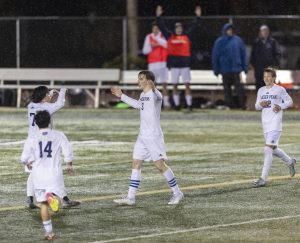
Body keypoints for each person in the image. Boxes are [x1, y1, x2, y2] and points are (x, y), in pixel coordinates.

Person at [111, 70, 183, 205]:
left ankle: (177, 193)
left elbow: (157, 95)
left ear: (149, 81)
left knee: (160, 165)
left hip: (154, 136)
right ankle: (130, 198)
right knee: (136, 164)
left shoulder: (156, 94)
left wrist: (154, 87)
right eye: (139, 78)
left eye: (141, 79)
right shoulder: (143, 94)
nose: (138, 81)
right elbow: (139, 105)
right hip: (142, 136)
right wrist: (122, 96)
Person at [21, 110, 75, 240]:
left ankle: (49, 233)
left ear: (36, 122)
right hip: (54, 174)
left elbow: (23, 158)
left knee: (43, 204)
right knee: (54, 199)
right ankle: (53, 198)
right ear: (49, 121)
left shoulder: (32, 138)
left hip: (38, 176)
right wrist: (69, 165)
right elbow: (67, 150)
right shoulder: (58, 135)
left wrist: (28, 163)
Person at [24, 86, 79, 208]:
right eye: (48, 95)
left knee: (34, 173)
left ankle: (30, 200)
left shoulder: (31, 105)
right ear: (43, 97)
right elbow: (60, 103)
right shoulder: (46, 107)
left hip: (32, 142)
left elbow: (43, 100)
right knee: (55, 169)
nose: (50, 96)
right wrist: (62, 90)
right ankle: (64, 199)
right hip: (44, 141)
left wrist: (49, 93)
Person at [253, 67, 296, 188]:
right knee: (273, 150)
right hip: (265, 124)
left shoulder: (279, 89)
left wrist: (280, 106)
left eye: (269, 76)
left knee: (267, 149)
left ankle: (263, 178)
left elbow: (290, 101)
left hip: (276, 124)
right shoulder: (261, 90)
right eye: (265, 76)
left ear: (273, 78)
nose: (266, 79)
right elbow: (256, 106)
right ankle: (290, 162)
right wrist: (260, 104)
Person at [156, 5, 202, 111]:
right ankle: (176, 105)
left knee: (187, 84)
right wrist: (158, 17)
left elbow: (195, 27)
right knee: (175, 85)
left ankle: (189, 105)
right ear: (175, 29)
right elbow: (162, 27)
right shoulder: (170, 36)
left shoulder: (187, 36)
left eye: (180, 28)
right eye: (177, 28)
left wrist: (198, 17)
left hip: (185, 64)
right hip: (174, 65)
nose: (179, 30)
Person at [212, 23, 247, 109]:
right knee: (227, 89)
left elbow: (243, 54)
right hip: (225, 69)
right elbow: (215, 56)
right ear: (225, 31)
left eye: (231, 30)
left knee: (239, 88)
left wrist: (244, 67)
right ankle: (229, 105)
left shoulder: (238, 40)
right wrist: (216, 69)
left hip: (236, 69)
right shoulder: (219, 42)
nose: (230, 31)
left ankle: (242, 105)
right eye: (228, 30)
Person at [142, 21, 170, 108]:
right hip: (152, 64)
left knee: (164, 84)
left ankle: (166, 103)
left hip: (163, 64)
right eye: (154, 28)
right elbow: (145, 51)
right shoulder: (149, 37)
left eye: (157, 28)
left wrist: (157, 42)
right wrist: (151, 47)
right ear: (152, 29)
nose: (155, 30)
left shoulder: (163, 36)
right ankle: (153, 103)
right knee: (152, 84)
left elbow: (167, 45)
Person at [250, 25, 281, 91]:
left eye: (266, 30)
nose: (265, 32)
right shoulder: (256, 42)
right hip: (258, 67)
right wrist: (252, 64)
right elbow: (253, 54)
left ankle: (271, 100)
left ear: (268, 31)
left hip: (269, 67)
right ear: (260, 32)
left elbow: (277, 54)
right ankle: (260, 100)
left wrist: (275, 65)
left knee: (270, 84)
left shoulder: (273, 42)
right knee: (259, 84)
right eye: (263, 30)